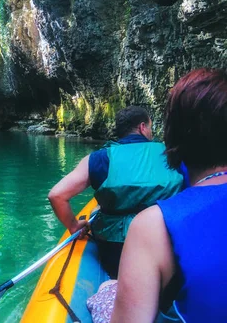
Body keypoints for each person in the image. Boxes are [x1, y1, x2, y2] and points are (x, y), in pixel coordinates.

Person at [111, 68, 227, 323]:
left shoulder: (153, 225)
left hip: (120, 231)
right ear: (143, 128)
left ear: (172, 136)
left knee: (105, 292)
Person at [48, 106, 183, 278]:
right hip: (164, 242)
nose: (151, 132)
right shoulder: (171, 154)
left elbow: (57, 195)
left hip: (115, 249)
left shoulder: (99, 158)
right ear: (142, 127)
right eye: (150, 127)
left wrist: (74, 226)